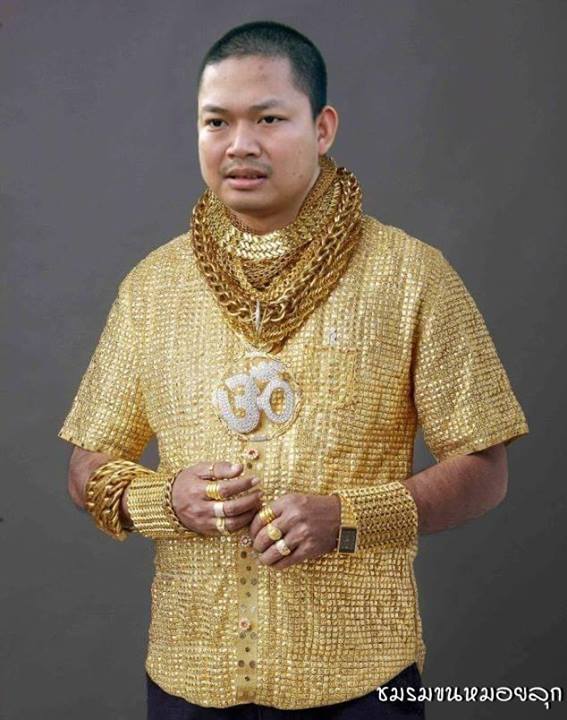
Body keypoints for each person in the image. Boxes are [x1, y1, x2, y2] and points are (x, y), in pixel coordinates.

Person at [58, 20, 530, 720]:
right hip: (188, 679)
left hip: (361, 681)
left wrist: (348, 518)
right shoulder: (153, 287)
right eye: (216, 121)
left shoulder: (411, 276)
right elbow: (86, 466)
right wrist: (165, 501)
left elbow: (485, 470)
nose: (239, 144)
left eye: (269, 119)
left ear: (322, 127)